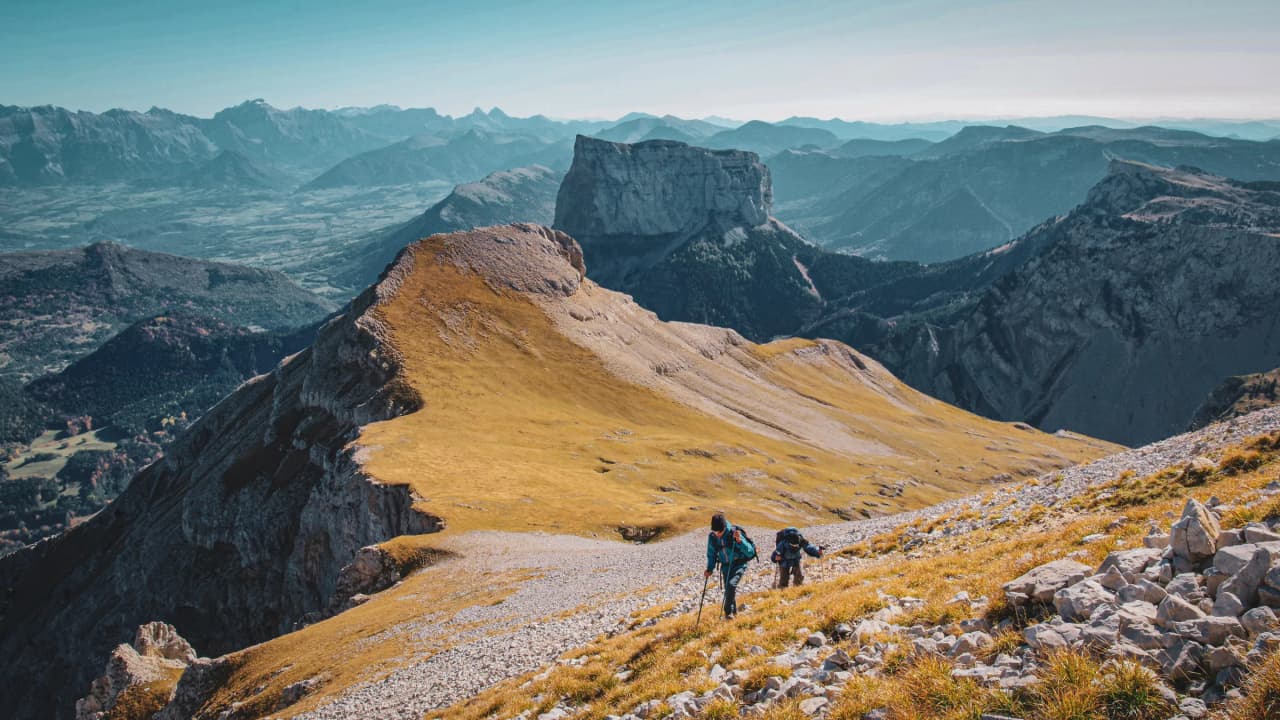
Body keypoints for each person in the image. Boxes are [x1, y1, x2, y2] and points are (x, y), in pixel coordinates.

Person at [704, 512, 756, 619]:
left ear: (724, 527)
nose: (717, 533)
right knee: (729, 590)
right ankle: (733, 614)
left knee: (731, 586)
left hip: (739, 564)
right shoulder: (713, 537)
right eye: (715, 531)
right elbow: (711, 554)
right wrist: (709, 569)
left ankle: (728, 613)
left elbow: (750, 552)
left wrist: (740, 542)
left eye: (720, 531)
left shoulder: (734, 533)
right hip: (725, 566)